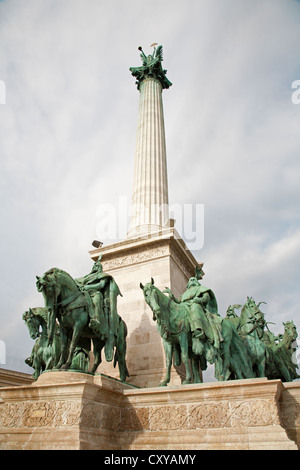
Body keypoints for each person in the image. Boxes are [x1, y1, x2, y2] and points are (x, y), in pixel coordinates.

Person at [75, 255, 122, 360]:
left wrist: (88, 287)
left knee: (96, 299)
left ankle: (96, 318)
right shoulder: (87, 277)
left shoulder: (103, 276)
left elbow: (101, 285)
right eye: (95, 266)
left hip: (96, 294)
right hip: (85, 295)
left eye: (98, 266)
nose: (96, 267)